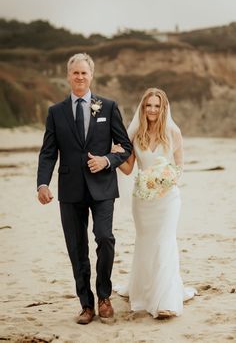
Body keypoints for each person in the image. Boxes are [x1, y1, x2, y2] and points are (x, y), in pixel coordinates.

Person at [37, 53, 132, 324]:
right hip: (69, 190)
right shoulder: (56, 112)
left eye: (84, 73)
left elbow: (125, 147)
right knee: (76, 248)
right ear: (69, 76)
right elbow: (48, 152)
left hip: (103, 187)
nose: (80, 77)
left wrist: (107, 160)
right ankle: (86, 305)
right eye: (75, 73)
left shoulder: (109, 106)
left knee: (105, 238)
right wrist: (42, 183)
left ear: (92, 76)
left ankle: (104, 297)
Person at [112, 87, 196, 319]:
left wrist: (165, 181)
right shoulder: (135, 134)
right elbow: (129, 169)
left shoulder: (173, 133)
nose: (152, 109)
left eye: (157, 106)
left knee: (165, 242)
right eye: (148, 105)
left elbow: (178, 168)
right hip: (142, 200)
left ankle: (166, 301)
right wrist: (115, 154)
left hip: (167, 199)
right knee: (147, 243)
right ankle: (146, 291)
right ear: (143, 107)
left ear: (164, 108)